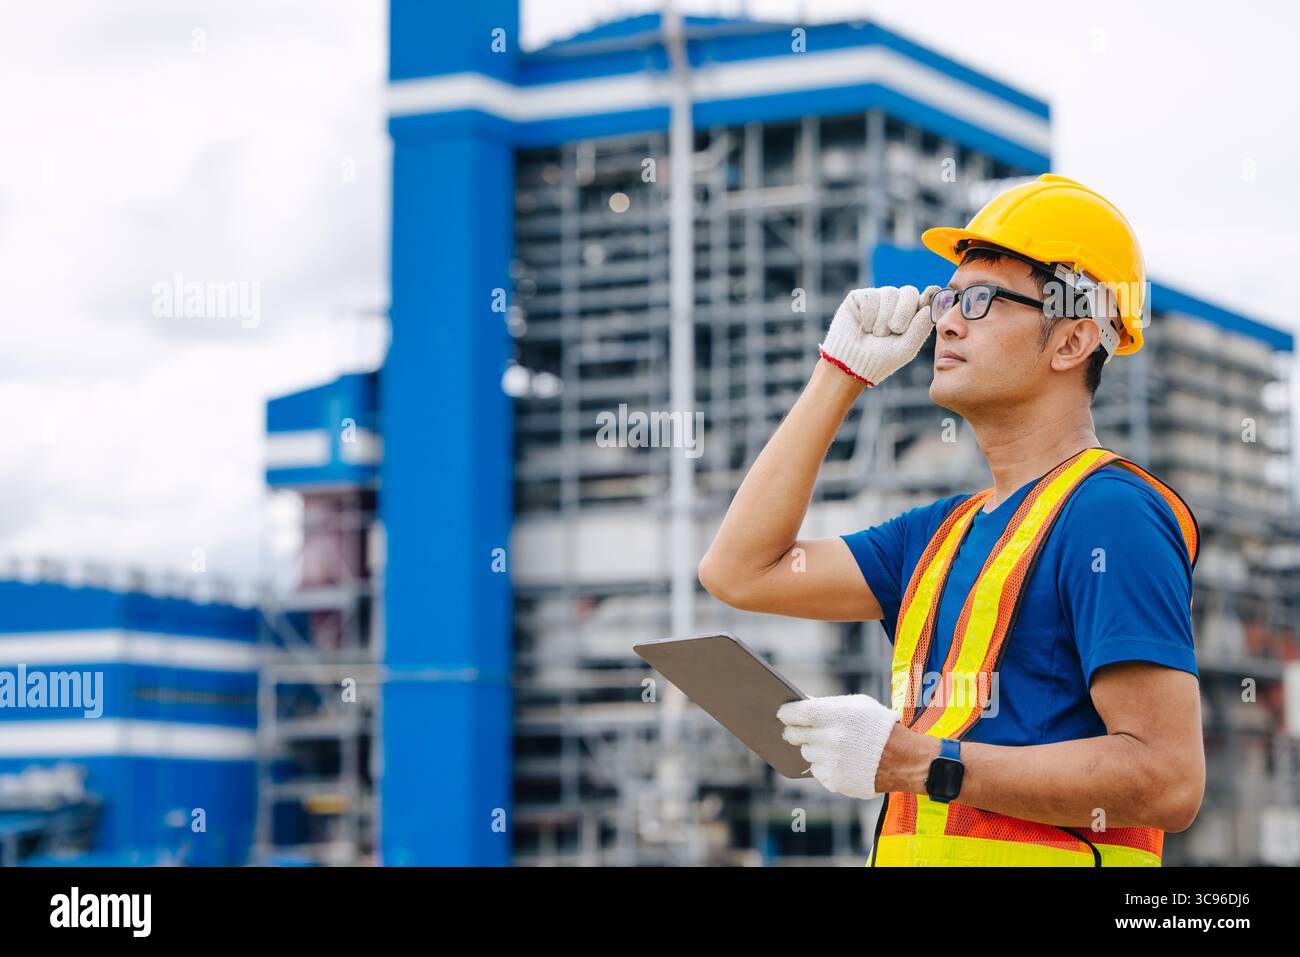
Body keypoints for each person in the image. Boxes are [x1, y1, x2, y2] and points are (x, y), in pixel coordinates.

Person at [697, 175, 1203, 866]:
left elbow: (1168, 780)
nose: (948, 320)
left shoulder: (1110, 515)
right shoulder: (938, 535)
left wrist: (914, 760)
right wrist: (838, 372)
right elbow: (738, 570)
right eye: (947, 298)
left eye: (981, 300)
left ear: (1073, 340)